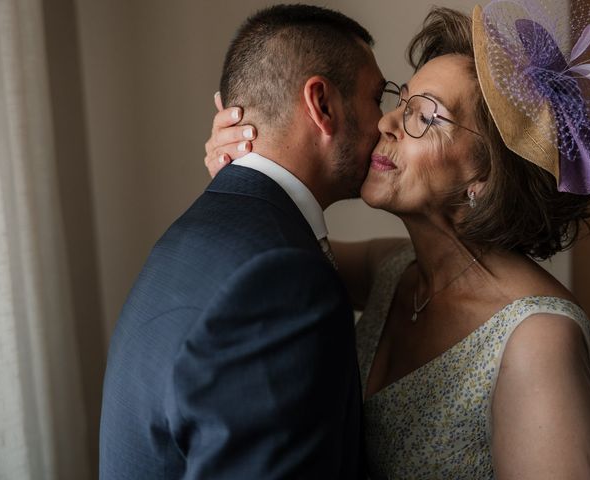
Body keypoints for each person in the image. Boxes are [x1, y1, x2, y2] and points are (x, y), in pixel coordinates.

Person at [206, 0, 590, 477]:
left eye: (425, 117)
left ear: (487, 176)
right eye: (400, 101)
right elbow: (277, 257)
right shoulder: (394, 271)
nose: (386, 123)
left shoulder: (539, 339)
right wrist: (250, 165)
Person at [99, 5, 385, 479]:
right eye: (378, 97)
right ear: (324, 105)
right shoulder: (281, 277)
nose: (386, 122)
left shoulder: (191, 236)